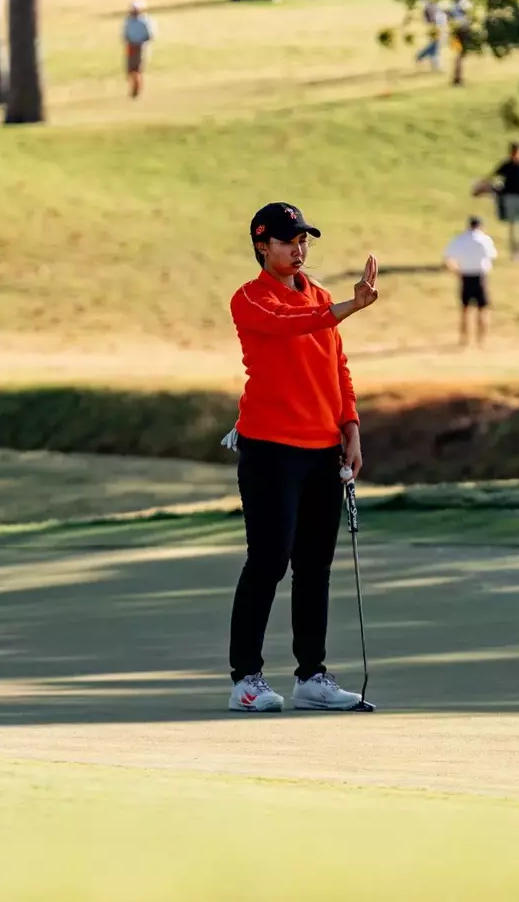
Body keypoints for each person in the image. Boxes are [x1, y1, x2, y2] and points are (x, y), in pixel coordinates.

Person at [224, 202, 380, 714]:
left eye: (304, 240)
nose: (299, 248)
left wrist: (351, 428)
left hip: (321, 449)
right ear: (261, 246)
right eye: (289, 240)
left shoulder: (320, 295)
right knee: (269, 561)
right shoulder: (250, 299)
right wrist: (350, 308)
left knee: (315, 566)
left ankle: (311, 676)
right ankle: (245, 679)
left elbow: (338, 367)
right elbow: (295, 326)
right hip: (270, 448)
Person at [474, 141, 519, 263]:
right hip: (510, 198)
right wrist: (481, 186)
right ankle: (515, 253)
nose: (516, 154)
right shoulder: (506, 165)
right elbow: (492, 176)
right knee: (513, 227)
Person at [443, 216, 499, 345]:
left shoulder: (460, 239)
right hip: (479, 276)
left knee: (465, 310)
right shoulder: (485, 239)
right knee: (483, 309)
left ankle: (464, 339)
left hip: (465, 275)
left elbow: (448, 257)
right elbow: (492, 255)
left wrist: (456, 270)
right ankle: (482, 339)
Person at [122, 0, 156, 100]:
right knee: (129, 69)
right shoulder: (128, 20)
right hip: (130, 45)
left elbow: (151, 35)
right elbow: (125, 32)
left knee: (137, 69)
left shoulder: (145, 21)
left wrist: (142, 42)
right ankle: (133, 88)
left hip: (140, 46)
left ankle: (136, 91)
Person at [415, 0, 448, 72]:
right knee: (435, 50)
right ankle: (436, 66)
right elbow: (438, 25)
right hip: (438, 33)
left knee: (434, 49)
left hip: (438, 33)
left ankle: (421, 56)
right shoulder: (439, 14)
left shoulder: (439, 13)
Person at [450, 0, 474, 86]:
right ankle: (457, 78)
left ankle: (457, 78)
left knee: (458, 56)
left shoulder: (454, 4)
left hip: (458, 32)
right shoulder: (462, 3)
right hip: (461, 32)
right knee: (459, 56)